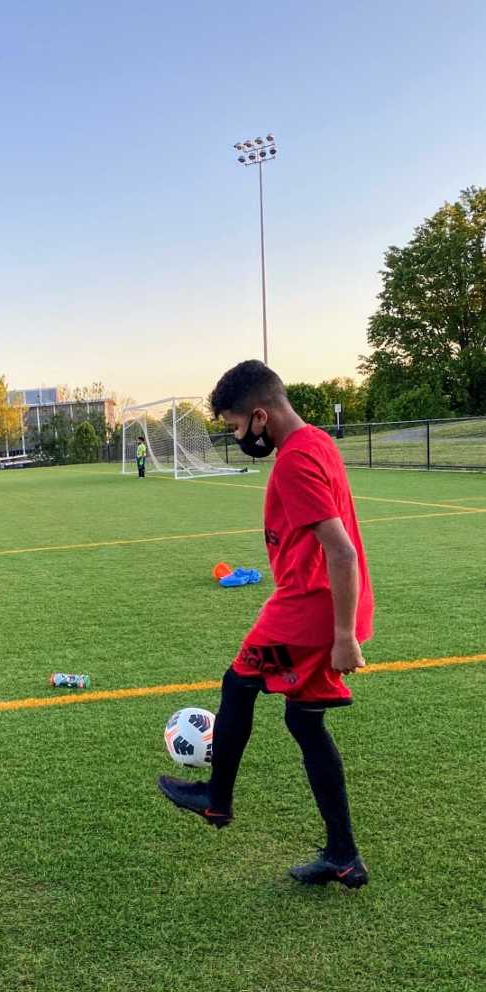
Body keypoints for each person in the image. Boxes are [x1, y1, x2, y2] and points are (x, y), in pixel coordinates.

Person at [157, 360, 375, 888]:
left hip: (308, 609)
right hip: (323, 606)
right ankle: (344, 856)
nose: (237, 437)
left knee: (238, 683)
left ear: (260, 415)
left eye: (236, 426)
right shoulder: (318, 441)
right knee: (304, 722)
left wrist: (343, 637)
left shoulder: (296, 462)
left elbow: (341, 552)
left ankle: (217, 798)